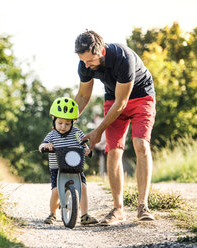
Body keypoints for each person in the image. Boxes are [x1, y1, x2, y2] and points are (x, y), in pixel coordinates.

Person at [74, 30, 156, 226]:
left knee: (140, 144)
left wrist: (97, 132)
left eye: (90, 60)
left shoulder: (123, 58)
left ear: (101, 51)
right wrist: (66, 120)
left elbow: (122, 103)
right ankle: (118, 209)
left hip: (141, 97)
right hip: (113, 99)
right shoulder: (85, 64)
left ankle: (142, 205)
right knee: (113, 150)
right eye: (82, 61)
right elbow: (83, 97)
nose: (86, 65)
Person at [39, 97, 98, 225]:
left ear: (73, 121)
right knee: (55, 191)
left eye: (67, 123)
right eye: (60, 123)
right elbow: (41, 146)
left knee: (82, 187)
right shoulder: (51, 135)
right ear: (54, 120)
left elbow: (84, 145)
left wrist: (87, 149)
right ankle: (52, 214)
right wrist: (46, 146)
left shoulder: (77, 133)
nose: (63, 127)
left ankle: (84, 215)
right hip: (57, 168)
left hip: (75, 167)